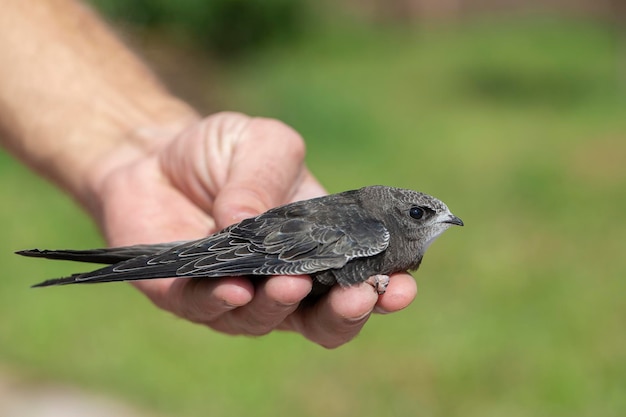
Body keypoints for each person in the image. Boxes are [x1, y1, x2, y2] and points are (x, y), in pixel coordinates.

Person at [0, 0, 417, 348]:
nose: (442, 223)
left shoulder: (379, 232)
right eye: (422, 214)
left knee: (260, 284)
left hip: (241, 242)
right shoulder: (369, 229)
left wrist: (131, 150)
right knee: (229, 273)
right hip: (249, 240)